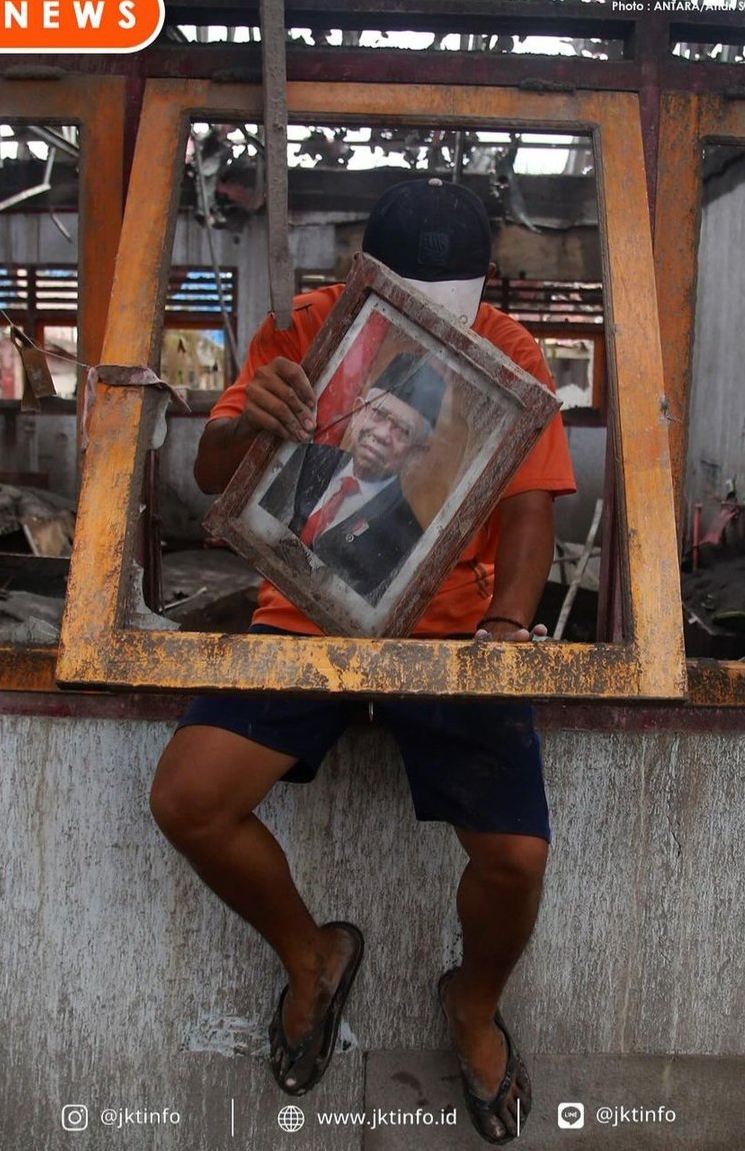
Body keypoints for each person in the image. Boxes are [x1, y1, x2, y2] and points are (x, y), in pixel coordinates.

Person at [150, 178, 576, 1145]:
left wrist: (505, 631)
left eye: (450, 307)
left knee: (514, 856)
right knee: (189, 799)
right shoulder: (303, 329)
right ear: (362, 279)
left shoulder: (508, 352)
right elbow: (215, 479)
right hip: (302, 612)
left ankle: (471, 1002)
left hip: (450, 629)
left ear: (484, 290)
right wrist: (242, 421)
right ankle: (313, 957)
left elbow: (529, 506)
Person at [259, 351, 446, 603]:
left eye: (402, 430)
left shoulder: (406, 536)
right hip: (273, 606)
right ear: (358, 411)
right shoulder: (305, 459)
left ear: (417, 452)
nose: (381, 434)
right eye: (378, 414)